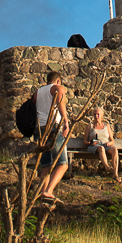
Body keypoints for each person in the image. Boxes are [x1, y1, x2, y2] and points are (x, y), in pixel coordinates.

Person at [32, 71, 70, 203]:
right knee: (63, 163)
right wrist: (65, 120)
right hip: (53, 128)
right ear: (58, 81)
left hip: (40, 129)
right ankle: (49, 191)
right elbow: (60, 97)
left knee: (46, 165)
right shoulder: (57, 88)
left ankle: (43, 194)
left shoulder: (37, 93)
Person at [85, 107, 121, 183]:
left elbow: (112, 140)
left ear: (101, 115)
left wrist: (109, 143)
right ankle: (107, 167)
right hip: (94, 146)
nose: (96, 116)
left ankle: (115, 174)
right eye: (94, 114)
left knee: (114, 149)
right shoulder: (90, 126)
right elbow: (84, 141)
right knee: (101, 148)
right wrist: (90, 143)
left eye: (98, 114)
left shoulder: (106, 126)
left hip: (105, 145)